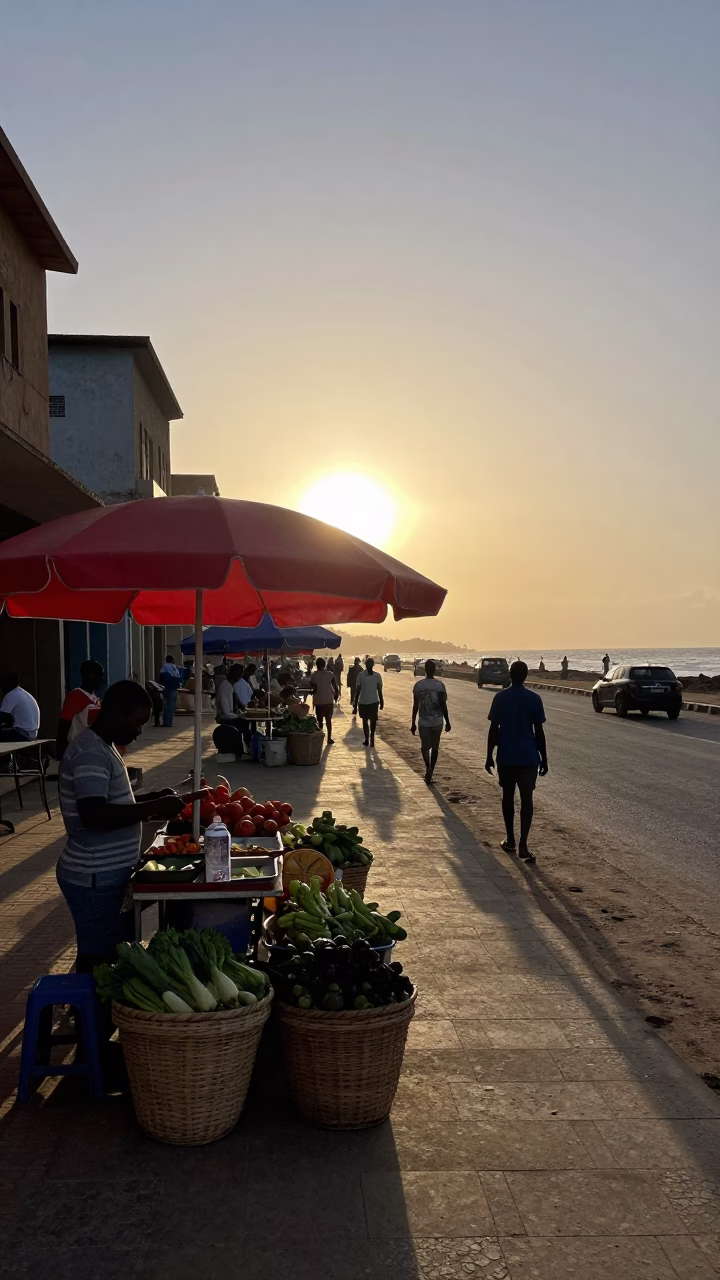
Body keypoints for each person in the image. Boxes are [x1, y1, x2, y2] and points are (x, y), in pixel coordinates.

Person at [56, 680, 184, 972]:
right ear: (117, 713)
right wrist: (153, 808)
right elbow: (94, 815)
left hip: (105, 873)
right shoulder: (91, 752)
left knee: (109, 948)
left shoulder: (105, 747)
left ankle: (91, 1008)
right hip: (93, 875)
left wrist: (153, 797)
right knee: (98, 956)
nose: (140, 731)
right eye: (138, 722)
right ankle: (88, 1013)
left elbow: (109, 800)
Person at [485, 660, 548, 865]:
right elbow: (539, 732)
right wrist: (544, 757)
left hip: (507, 756)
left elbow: (494, 729)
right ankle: (524, 845)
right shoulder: (534, 699)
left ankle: (510, 839)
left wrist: (488, 755)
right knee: (527, 800)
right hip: (528, 757)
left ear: (509, 675)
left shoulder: (500, 698)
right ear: (526, 675)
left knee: (508, 797)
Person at [411, 659, 451, 785]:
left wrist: (413, 722)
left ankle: (427, 767)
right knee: (435, 748)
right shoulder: (439, 686)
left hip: (423, 722)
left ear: (424, 669)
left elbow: (415, 705)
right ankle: (431, 771)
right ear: (434, 670)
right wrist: (447, 721)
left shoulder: (419, 686)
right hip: (437, 721)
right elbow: (443, 705)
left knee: (424, 747)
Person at [56, 659, 105, 759]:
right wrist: (62, 752)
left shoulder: (94, 698)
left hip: (91, 750)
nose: (101, 680)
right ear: (90, 676)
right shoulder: (75, 696)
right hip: (77, 751)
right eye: (99, 676)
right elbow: (63, 725)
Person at [0, 672, 40, 742]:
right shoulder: (21, 692)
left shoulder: (10, 695)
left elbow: (2, 717)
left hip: (22, 733)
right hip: (33, 733)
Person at [353, 657, 384, 746]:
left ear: (365, 665)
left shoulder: (361, 675)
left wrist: (355, 704)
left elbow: (357, 691)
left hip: (363, 702)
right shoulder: (377, 676)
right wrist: (382, 701)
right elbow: (379, 690)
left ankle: (367, 739)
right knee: (373, 721)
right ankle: (372, 737)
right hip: (374, 702)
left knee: (365, 721)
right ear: (373, 665)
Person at [311, 657, 339, 744]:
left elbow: (313, 689)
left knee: (319, 721)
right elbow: (336, 688)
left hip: (318, 701)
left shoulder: (313, 676)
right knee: (328, 721)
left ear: (316, 665)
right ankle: (329, 738)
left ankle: (320, 738)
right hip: (328, 701)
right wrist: (335, 698)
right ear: (325, 664)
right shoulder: (330, 674)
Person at [159, 654, 182, 726]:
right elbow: (179, 678)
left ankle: (165, 722)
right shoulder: (175, 668)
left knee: (165, 706)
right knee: (171, 706)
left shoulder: (164, 666)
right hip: (173, 689)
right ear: (172, 660)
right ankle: (169, 722)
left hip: (165, 689)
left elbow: (161, 677)